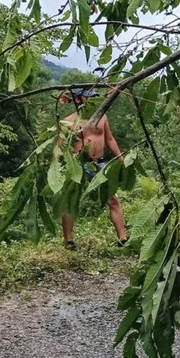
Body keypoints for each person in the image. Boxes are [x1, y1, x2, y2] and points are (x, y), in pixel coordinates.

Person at [59, 88, 128, 250]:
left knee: (113, 199)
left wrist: (121, 158)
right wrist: (64, 163)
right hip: (78, 165)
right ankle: (68, 241)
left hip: (99, 164)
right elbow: (59, 146)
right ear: (78, 99)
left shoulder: (102, 117)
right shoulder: (68, 122)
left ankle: (123, 238)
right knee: (70, 200)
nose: (93, 100)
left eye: (94, 97)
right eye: (88, 97)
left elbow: (109, 139)